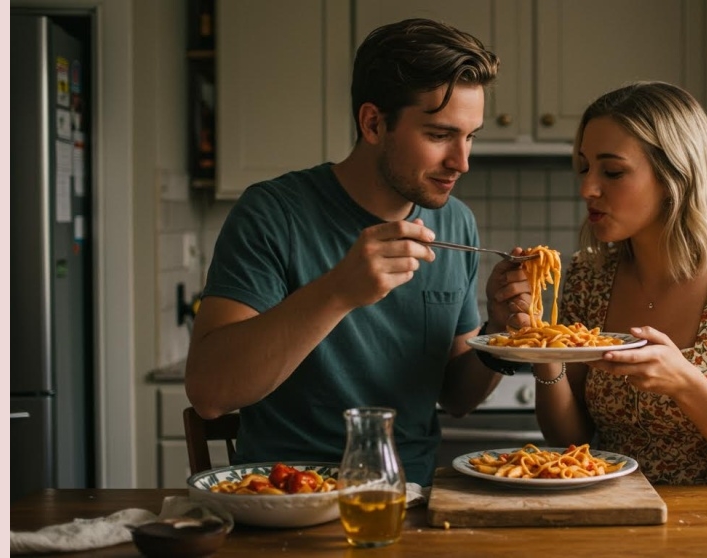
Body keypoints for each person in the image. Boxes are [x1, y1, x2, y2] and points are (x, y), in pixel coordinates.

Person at [184, 18, 525, 486]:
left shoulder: (455, 222)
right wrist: (338, 292)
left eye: (470, 136)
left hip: (412, 498)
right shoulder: (273, 212)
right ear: (373, 123)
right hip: (287, 495)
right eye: (439, 135)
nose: (461, 162)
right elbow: (210, 393)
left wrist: (500, 333)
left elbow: (457, 398)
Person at [516, 81, 707, 484]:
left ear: (675, 177)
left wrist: (685, 383)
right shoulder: (588, 276)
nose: (587, 188)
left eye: (612, 171)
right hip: (610, 514)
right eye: (584, 167)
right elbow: (570, 437)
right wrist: (544, 353)